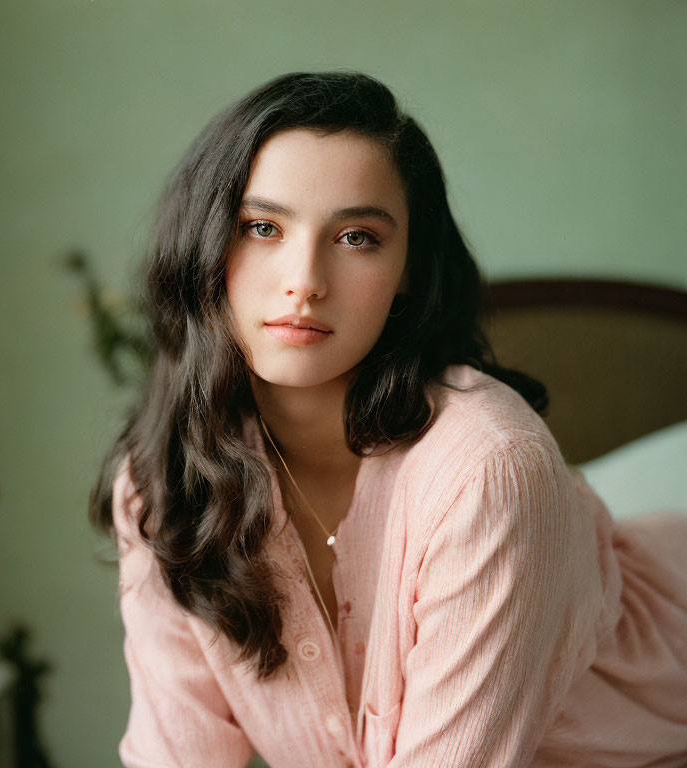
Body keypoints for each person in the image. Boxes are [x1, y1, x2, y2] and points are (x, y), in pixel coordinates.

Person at [88, 70, 687, 768]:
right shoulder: (167, 481)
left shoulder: (489, 469)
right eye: (262, 227)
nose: (304, 279)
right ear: (205, 245)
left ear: (408, 266)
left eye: (356, 238)